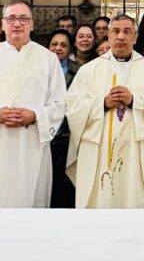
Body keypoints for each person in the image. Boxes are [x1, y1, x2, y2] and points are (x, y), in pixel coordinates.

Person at [0, 0, 67, 208]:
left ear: (32, 23)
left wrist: (36, 116)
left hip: (32, 141)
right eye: (11, 18)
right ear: (3, 24)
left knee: (30, 200)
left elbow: (60, 102)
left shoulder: (48, 59)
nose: (17, 23)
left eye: (23, 18)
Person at [66, 15, 144, 208]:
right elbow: (73, 107)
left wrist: (135, 101)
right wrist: (102, 103)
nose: (121, 36)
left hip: (138, 154)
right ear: (108, 35)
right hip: (99, 152)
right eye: (115, 31)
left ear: (135, 36)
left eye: (127, 31)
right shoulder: (88, 71)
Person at [46, 28, 79, 208]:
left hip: (67, 137)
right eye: (54, 44)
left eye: (63, 45)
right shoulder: (38, 69)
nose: (58, 48)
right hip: (43, 136)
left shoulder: (79, 71)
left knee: (65, 189)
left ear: (70, 48)